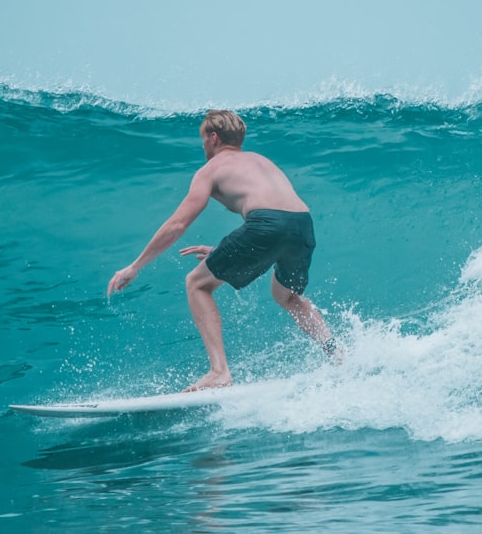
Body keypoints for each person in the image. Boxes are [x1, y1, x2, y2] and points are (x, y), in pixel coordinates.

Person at [107, 109, 338, 392]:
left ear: (213, 138)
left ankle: (219, 371)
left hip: (267, 225)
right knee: (287, 297)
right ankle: (337, 355)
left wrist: (135, 265)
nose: (202, 145)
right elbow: (278, 221)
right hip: (303, 224)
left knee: (196, 283)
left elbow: (178, 224)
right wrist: (222, 251)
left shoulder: (211, 169)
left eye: (203, 139)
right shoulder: (261, 161)